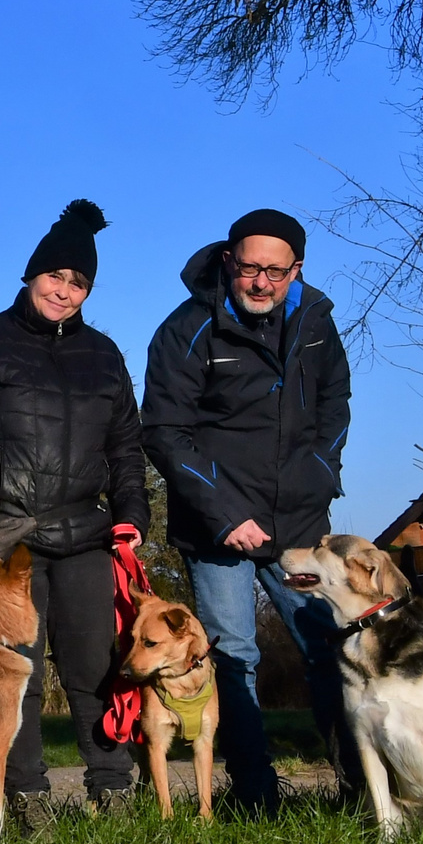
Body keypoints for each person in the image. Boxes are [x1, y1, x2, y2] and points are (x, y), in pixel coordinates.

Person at [0, 199, 151, 828]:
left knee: (97, 668)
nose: (65, 290)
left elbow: (126, 445)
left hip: (84, 533)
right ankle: (26, 797)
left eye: (79, 283)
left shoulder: (105, 355)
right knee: (8, 675)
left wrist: (131, 513)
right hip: (0, 534)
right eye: (56, 276)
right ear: (31, 275)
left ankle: (112, 788)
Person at [139, 207, 363, 812]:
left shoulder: (316, 321)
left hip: (299, 524)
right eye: (249, 268)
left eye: (276, 271)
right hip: (219, 529)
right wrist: (225, 513)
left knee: (332, 647)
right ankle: (255, 796)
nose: (261, 282)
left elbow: (335, 403)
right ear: (227, 261)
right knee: (234, 656)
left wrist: (320, 473)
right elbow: (164, 432)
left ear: (297, 270)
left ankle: (360, 787)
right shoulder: (185, 329)